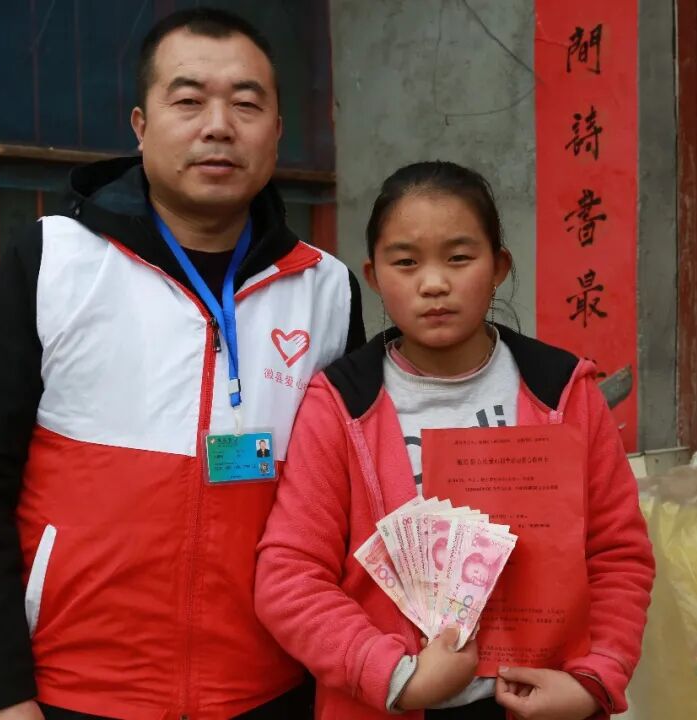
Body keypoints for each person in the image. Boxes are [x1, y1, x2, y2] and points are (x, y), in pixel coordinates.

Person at [0, 8, 363, 720]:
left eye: (246, 103)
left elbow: (347, 503)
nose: (218, 126)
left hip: (272, 693)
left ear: (278, 129)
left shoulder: (326, 290)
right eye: (188, 100)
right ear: (140, 123)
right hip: (75, 694)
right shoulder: (54, 261)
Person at [254, 161, 654, 719]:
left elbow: (617, 555)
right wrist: (394, 676)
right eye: (406, 262)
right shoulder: (341, 404)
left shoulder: (562, 392)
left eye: (459, 258)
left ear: (499, 267)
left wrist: (594, 679)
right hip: (391, 704)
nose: (434, 283)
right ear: (374, 276)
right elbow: (290, 576)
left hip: (542, 703)